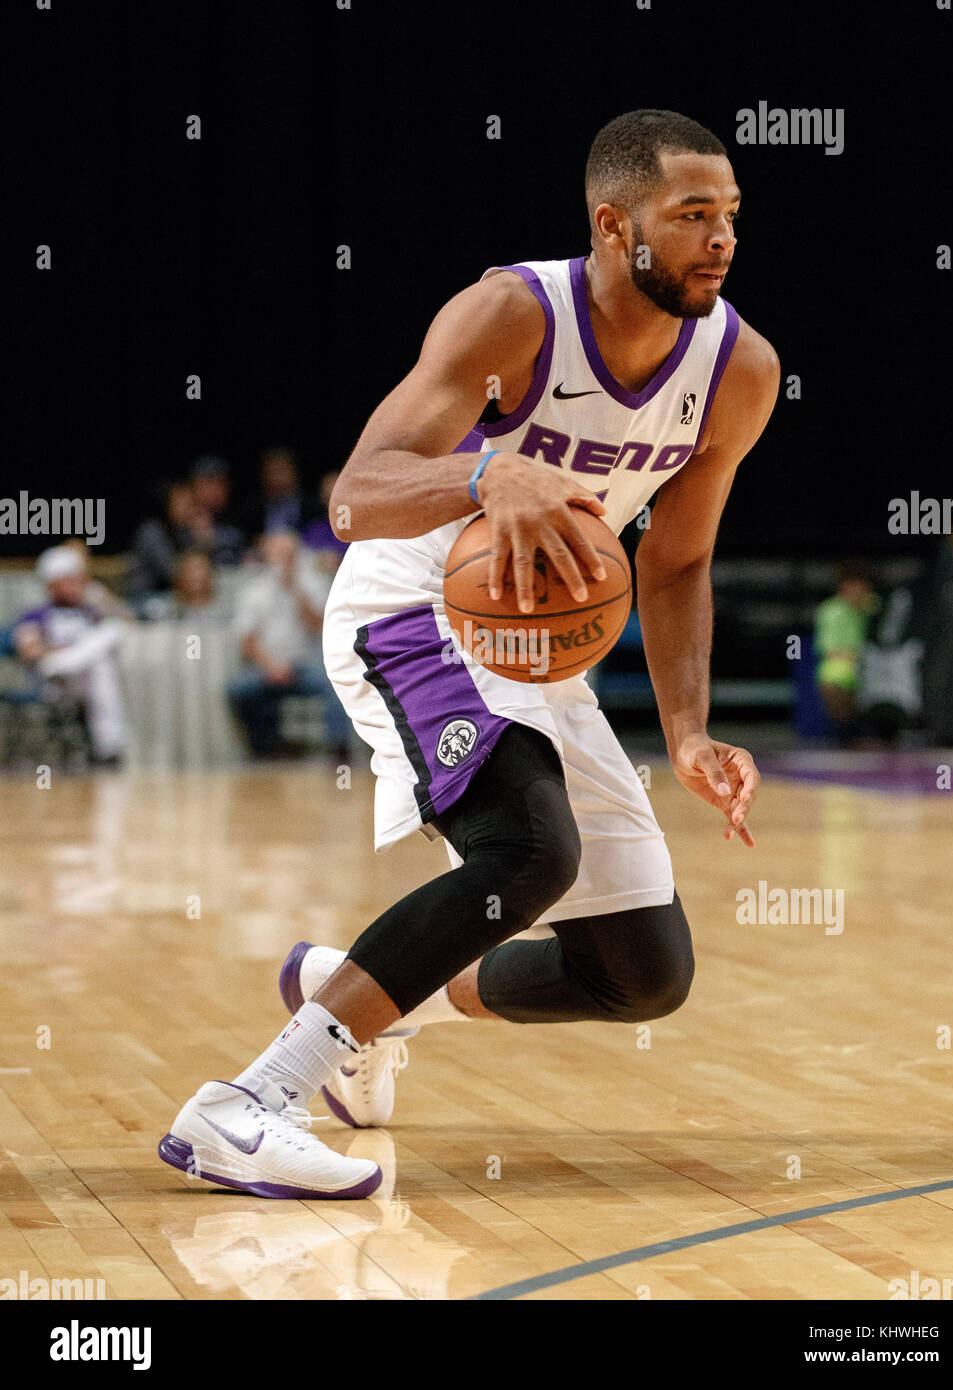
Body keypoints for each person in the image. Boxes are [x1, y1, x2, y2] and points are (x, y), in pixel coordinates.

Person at [159, 109, 779, 1199]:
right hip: (408, 607)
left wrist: (686, 731)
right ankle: (243, 1105)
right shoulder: (511, 313)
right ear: (611, 223)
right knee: (530, 851)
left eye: (727, 216)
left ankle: (354, 996)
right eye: (690, 217)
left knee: (639, 973)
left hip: (535, 649)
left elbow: (676, 563)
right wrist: (487, 476)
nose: (719, 239)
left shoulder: (738, 370)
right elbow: (354, 495)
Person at [227, 530, 350, 758]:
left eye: (288, 554)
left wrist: (295, 590)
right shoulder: (253, 590)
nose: (282, 559)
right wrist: (271, 667)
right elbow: (247, 640)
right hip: (266, 668)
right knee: (237, 690)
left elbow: (319, 628)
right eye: (277, 554)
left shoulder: (315, 584)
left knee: (337, 686)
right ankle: (266, 748)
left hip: (306, 667)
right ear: (266, 555)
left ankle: (338, 751)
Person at [14, 545, 128, 766]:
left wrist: (100, 596)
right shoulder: (36, 615)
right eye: (68, 580)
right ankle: (109, 749)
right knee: (100, 655)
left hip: (84, 676)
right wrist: (61, 650)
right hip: (52, 681)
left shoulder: (90, 610)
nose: (76, 585)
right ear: (51, 584)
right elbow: (29, 651)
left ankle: (108, 749)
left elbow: (129, 621)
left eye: (77, 579)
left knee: (110, 637)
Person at [814, 560, 881, 744]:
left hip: (875, 667)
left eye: (863, 585)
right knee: (834, 678)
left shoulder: (873, 608)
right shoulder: (830, 611)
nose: (858, 590)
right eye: (853, 585)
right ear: (843, 586)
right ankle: (845, 733)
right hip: (843, 668)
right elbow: (828, 650)